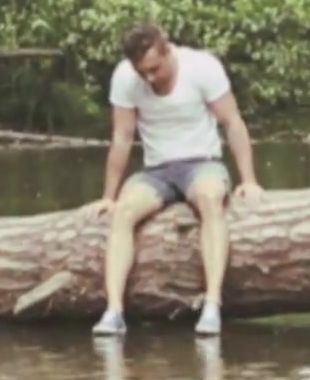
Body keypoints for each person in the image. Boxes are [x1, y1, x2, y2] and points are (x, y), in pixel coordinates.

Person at [83, 22, 265, 335]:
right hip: (157, 171)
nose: (149, 78)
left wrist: (248, 180)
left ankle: (212, 305)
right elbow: (122, 137)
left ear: (167, 51)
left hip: (202, 163)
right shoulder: (125, 77)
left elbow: (232, 122)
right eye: (142, 72)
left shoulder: (202, 67)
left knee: (210, 199)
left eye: (154, 69)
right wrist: (108, 197)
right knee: (123, 212)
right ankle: (114, 312)